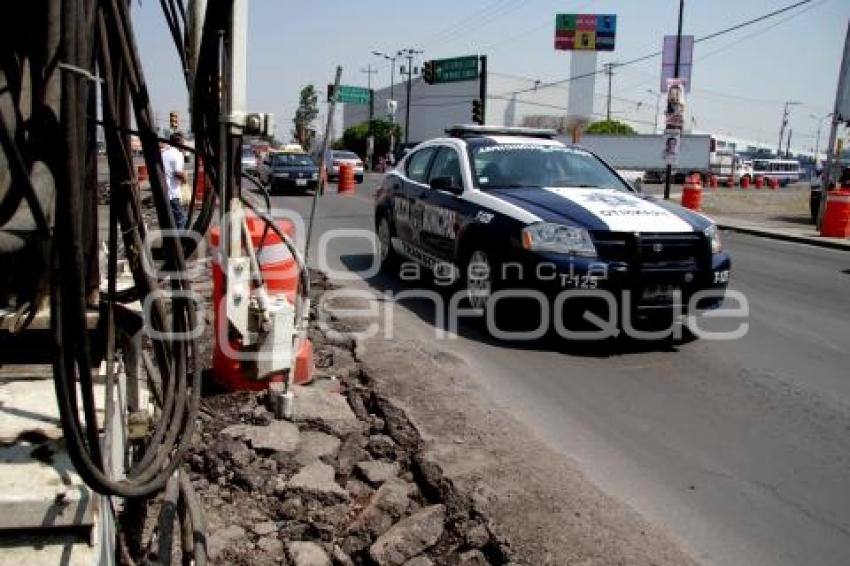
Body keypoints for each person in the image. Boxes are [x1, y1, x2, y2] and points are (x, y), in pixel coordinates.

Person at [161, 132, 187, 229]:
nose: (184, 144)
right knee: (181, 219)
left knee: (170, 220)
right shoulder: (177, 154)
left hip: (163, 191)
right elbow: (178, 173)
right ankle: (179, 242)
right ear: (179, 142)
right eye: (183, 142)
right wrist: (185, 179)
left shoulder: (164, 153)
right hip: (173, 193)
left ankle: (172, 240)